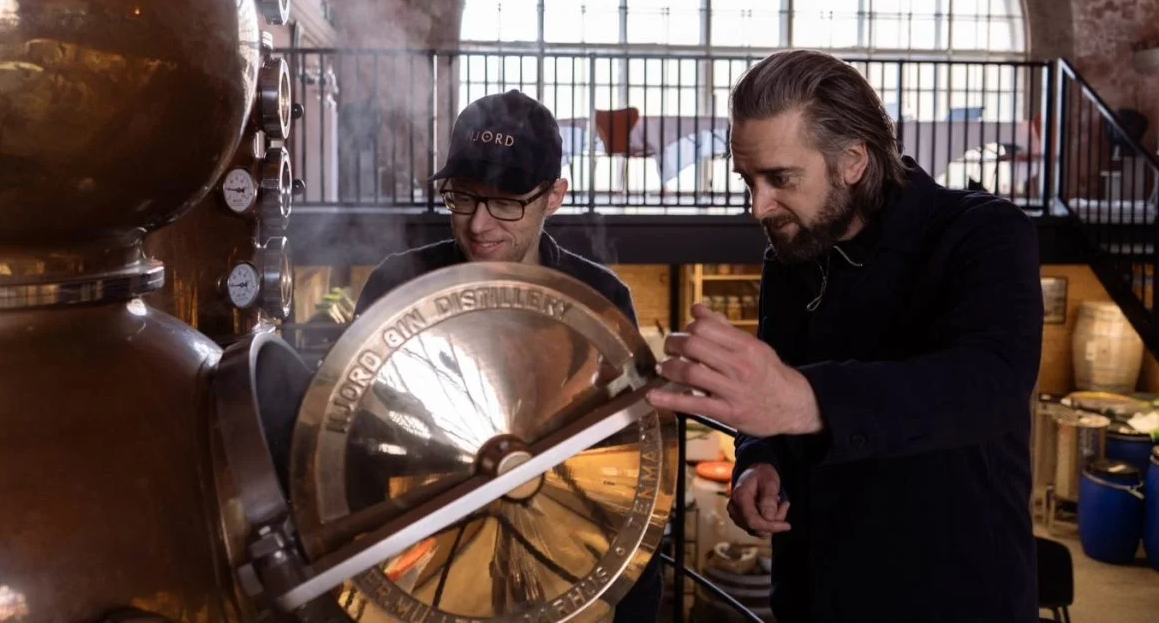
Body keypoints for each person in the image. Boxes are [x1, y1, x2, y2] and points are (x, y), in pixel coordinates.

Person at [646, 50, 1044, 622]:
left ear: (854, 159)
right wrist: (759, 463)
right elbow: (774, 410)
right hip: (814, 594)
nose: (758, 206)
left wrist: (803, 400)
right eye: (748, 180)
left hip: (950, 596)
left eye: (780, 179)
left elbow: (990, 385)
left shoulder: (982, 234)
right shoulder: (791, 256)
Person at [354, 89, 663, 622]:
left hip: (555, 561)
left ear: (556, 196)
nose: (479, 224)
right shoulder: (397, 286)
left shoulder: (599, 301)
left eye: (506, 203)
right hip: (423, 563)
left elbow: (632, 472)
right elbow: (353, 441)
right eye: (464, 196)